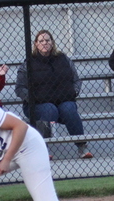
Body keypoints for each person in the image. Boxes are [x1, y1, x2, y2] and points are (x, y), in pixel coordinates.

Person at [15, 30, 93, 159]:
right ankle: (42, 149)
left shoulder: (63, 59)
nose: (44, 43)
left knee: (69, 108)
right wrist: (32, 99)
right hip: (37, 105)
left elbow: (76, 80)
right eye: (41, 41)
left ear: (52, 43)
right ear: (36, 44)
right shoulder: (28, 63)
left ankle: (82, 147)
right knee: (49, 109)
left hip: (62, 101)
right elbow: (19, 88)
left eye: (47, 40)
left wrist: (74, 92)